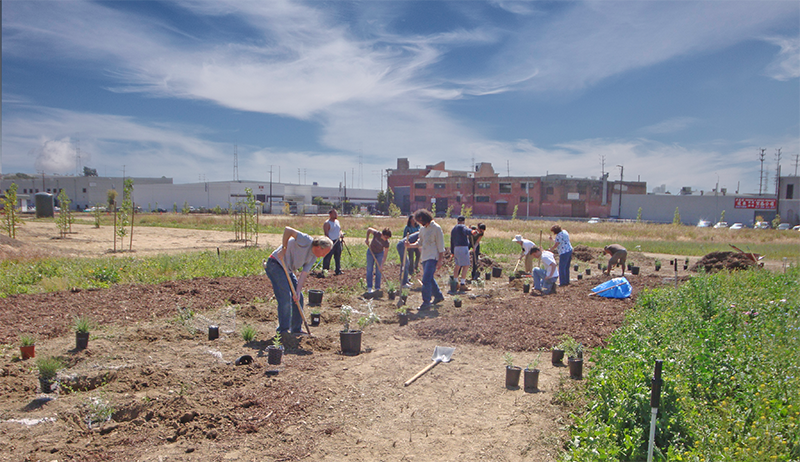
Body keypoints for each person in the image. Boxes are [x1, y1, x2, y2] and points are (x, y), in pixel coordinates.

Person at [264, 227, 332, 334]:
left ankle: (296, 329)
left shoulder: (313, 257)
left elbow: (303, 274)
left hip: (288, 270)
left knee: (298, 298)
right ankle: (283, 331)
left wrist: (298, 291)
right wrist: (284, 248)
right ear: (319, 247)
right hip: (275, 264)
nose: (325, 255)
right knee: (285, 297)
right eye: (325, 252)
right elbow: (288, 230)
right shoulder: (306, 240)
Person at [405, 209, 445, 310]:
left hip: (433, 257)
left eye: (421, 220)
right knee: (430, 278)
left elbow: (441, 246)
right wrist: (410, 245)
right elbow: (420, 242)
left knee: (426, 279)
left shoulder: (436, 228)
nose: (420, 223)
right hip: (425, 257)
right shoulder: (422, 229)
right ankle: (438, 296)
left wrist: (440, 260)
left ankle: (426, 302)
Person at [450, 216, 475, 291]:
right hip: (463, 248)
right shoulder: (462, 227)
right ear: (463, 221)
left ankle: (455, 283)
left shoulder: (453, 229)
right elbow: (466, 230)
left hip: (456, 248)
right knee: (466, 266)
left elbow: (452, 241)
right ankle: (462, 284)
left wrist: (452, 252)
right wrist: (471, 231)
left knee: (457, 266)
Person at [364, 227, 392, 293]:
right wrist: (367, 239)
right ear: (382, 234)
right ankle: (369, 287)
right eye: (386, 237)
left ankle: (377, 287)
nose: (386, 239)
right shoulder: (377, 234)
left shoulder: (386, 243)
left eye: (388, 238)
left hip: (380, 254)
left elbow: (385, 255)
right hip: (371, 252)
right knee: (369, 269)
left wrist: (381, 264)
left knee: (378, 271)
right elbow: (369, 229)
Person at [322, 209, 343, 275]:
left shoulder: (337, 222)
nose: (336, 215)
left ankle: (338, 270)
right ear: (330, 214)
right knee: (328, 256)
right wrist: (329, 242)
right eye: (334, 213)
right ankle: (325, 271)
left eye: (336, 213)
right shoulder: (327, 223)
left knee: (338, 256)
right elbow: (326, 234)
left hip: (337, 241)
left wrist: (341, 234)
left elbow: (339, 230)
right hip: (330, 242)